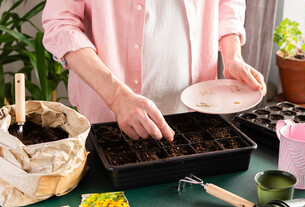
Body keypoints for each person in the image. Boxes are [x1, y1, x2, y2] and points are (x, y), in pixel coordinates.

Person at [42, 0, 266, 142]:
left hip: (194, 110)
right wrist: (118, 98)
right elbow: (60, 24)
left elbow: (228, 3)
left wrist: (232, 56)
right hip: (109, 113)